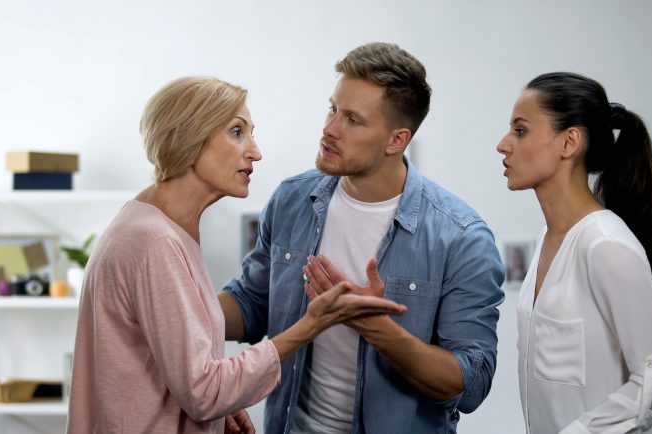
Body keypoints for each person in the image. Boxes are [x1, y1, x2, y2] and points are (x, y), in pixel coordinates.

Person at [66, 76, 407, 434]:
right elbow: (203, 391)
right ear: (189, 139)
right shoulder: (155, 242)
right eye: (236, 132)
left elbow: (173, 364)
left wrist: (217, 410)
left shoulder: (159, 226)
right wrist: (313, 323)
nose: (255, 151)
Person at [219, 42, 505, 434]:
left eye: (353, 120)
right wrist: (176, 308)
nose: (330, 128)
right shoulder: (292, 200)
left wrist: (376, 327)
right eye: (333, 109)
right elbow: (252, 304)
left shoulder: (461, 239)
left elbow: (471, 385)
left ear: (396, 140)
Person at [496, 72, 652, 433]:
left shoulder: (605, 245)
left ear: (569, 143)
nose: (503, 144)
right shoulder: (549, 240)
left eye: (520, 131)